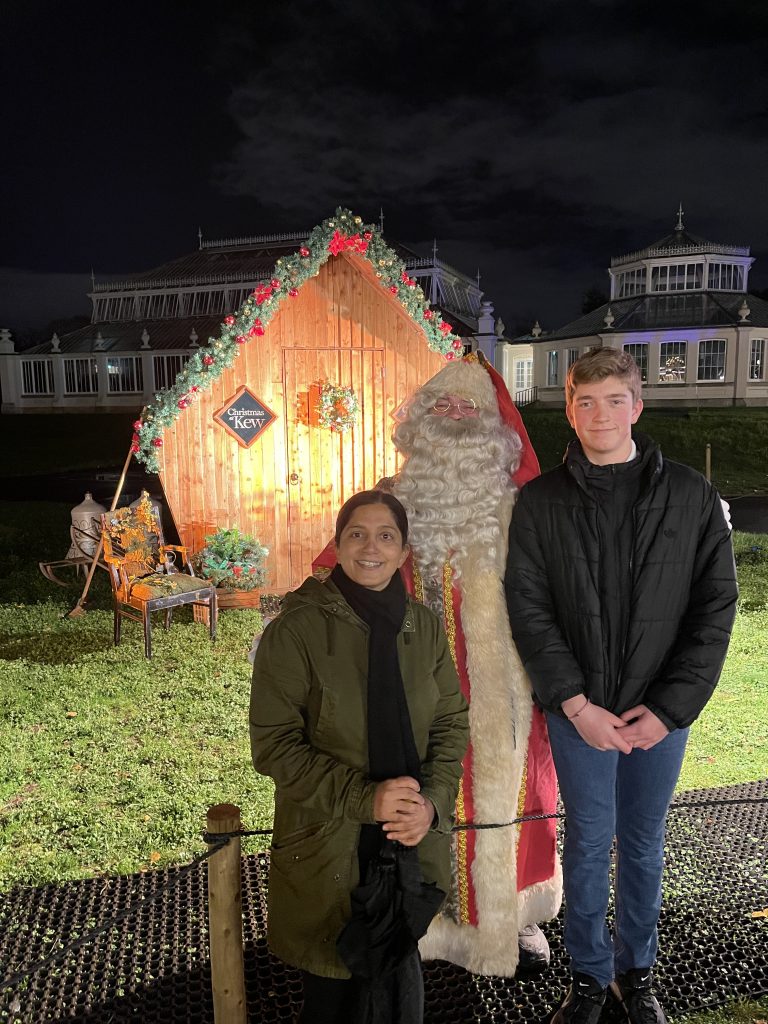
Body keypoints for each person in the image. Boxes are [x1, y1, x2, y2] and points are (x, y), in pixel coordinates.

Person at [504, 347, 738, 1024]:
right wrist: (576, 705)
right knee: (586, 841)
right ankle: (587, 977)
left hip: (660, 717)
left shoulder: (690, 496)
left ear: (637, 406)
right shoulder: (539, 503)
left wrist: (667, 711)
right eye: (585, 401)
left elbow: (714, 609)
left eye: (614, 400)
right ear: (569, 409)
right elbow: (530, 608)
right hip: (582, 716)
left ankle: (636, 976)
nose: (600, 415)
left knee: (641, 842)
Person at [250, 490, 469, 1024]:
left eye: (386, 536)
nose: (371, 547)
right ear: (338, 544)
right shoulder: (297, 630)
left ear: (403, 552)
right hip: (331, 845)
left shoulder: (424, 627)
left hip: (409, 845)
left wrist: (433, 805)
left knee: (399, 985)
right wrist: (365, 800)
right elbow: (274, 745)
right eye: (357, 534)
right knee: (334, 994)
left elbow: (450, 723)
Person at [390, 353, 562, 978]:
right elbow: (339, 568)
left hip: (507, 691)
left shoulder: (526, 510)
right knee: (418, 795)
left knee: (514, 797)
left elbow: (570, 588)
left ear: (496, 429)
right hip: (413, 688)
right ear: (419, 424)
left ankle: (514, 916)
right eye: (442, 407)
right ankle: (427, 922)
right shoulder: (391, 505)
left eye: (469, 409)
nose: (455, 419)